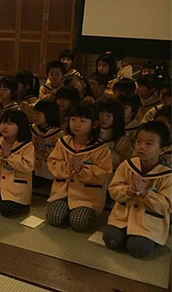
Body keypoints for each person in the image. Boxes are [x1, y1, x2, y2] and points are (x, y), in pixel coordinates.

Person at [103, 122, 171, 258]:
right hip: (123, 215)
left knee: (138, 249)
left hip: (149, 222)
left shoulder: (167, 175)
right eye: (139, 141)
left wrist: (145, 194)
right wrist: (129, 191)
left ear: (162, 150)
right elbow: (114, 189)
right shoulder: (128, 165)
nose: (141, 147)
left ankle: (143, 239)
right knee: (110, 239)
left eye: (149, 144)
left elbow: (166, 206)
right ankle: (129, 237)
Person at [46, 103, 113, 231]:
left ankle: (84, 213)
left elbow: (104, 173)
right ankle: (66, 210)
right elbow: (53, 163)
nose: (76, 124)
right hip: (63, 192)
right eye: (73, 120)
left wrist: (82, 170)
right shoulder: (63, 142)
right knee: (54, 217)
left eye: (82, 121)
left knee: (78, 222)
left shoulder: (101, 148)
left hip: (86, 196)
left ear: (94, 124)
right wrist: (67, 166)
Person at [0, 109, 34, 217]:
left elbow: (28, 167)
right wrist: (0, 155)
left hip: (16, 187)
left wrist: (10, 156)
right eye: (3, 123)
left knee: (8, 210)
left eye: (10, 124)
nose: (5, 126)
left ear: (20, 126)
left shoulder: (27, 145)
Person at [31, 100, 63, 183]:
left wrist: (44, 146)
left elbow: (58, 154)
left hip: (48, 173)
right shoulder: (32, 129)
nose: (34, 116)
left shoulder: (58, 134)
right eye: (34, 112)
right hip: (31, 168)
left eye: (38, 113)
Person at [98, 100, 133, 170]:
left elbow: (123, 161)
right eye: (100, 114)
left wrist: (103, 149)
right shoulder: (89, 133)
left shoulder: (123, 138)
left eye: (108, 116)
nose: (103, 118)